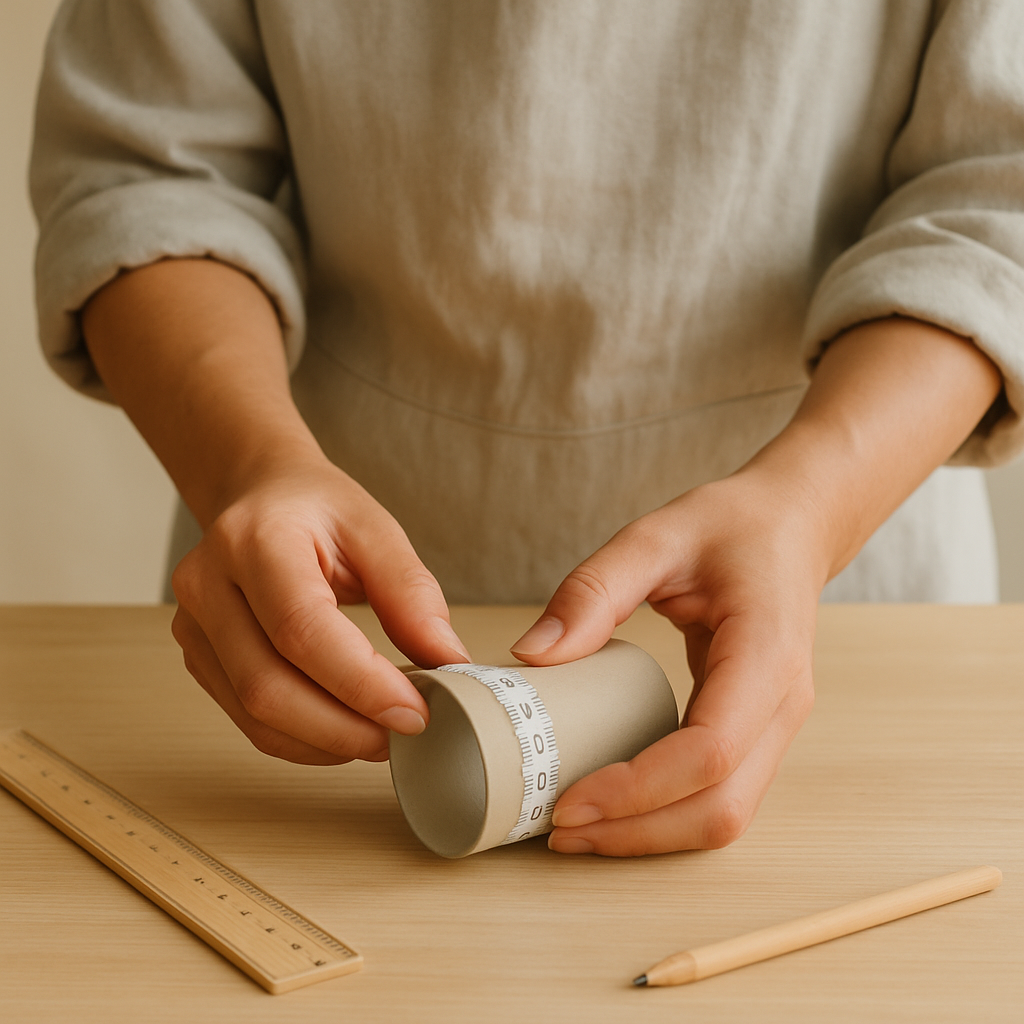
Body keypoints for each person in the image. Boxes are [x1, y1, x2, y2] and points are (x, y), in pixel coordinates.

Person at [31, 1, 1024, 857]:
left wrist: (807, 508)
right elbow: (145, 169)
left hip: (858, 608)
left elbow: (998, 194)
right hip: (312, 613)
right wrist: (248, 464)